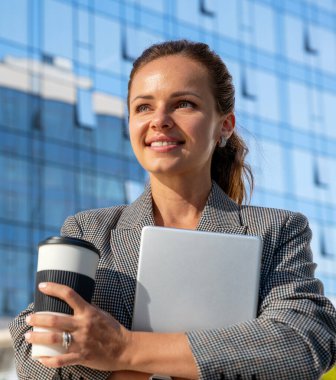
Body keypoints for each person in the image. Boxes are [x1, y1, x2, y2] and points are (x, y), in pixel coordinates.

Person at [9, 40, 336, 380]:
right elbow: (35, 349)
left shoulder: (276, 231)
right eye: (143, 107)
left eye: (183, 104)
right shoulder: (88, 230)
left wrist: (125, 349)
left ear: (224, 126)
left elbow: (302, 340)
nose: (160, 120)